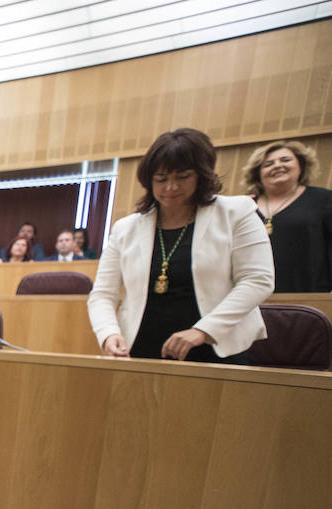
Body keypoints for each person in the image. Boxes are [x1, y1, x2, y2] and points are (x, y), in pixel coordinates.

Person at [88, 128, 273, 362]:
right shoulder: (126, 228)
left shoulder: (237, 212)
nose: (170, 187)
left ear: (201, 175)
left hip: (215, 348)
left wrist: (203, 331)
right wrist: (109, 334)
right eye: (161, 179)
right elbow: (103, 294)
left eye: (183, 176)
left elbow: (258, 280)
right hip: (141, 349)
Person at [244, 139, 332, 292]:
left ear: (301, 166)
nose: (278, 165)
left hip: (310, 298)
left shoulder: (324, 199)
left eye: (286, 160)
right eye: (268, 164)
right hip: (252, 298)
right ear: (257, 173)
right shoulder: (244, 206)